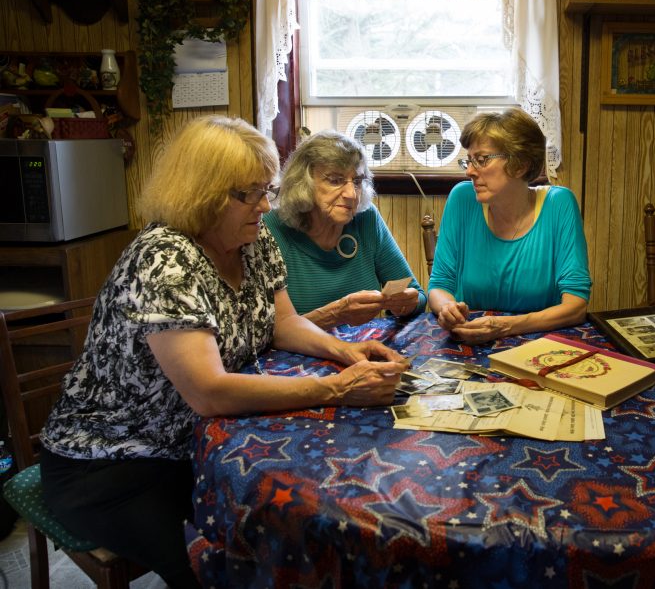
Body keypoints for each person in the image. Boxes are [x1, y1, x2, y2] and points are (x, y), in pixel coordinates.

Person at [39, 116, 408, 589]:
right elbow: (209, 392)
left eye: (266, 191)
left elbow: (284, 322)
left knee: (287, 530)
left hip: (191, 444)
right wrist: (337, 388)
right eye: (247, 194)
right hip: (112, 464)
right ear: (202, 192)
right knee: (218, 564)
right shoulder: (164, 259)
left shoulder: (252, 238)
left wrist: (347, 353)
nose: (263, 206)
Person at [427, 107, 591, 344]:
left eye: (481, 160)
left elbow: (576, 306)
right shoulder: (462, 199)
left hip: (539, 345)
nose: (470, 172)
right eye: (469, 160)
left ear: (520, 164)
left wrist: (506, 326)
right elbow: (439, 285)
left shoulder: (559, 205)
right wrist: (447, 309)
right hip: (470, 339)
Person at [263, 130, 425, 328]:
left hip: (365, 349)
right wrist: (335, 315)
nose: (351, 194)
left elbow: (418, 295)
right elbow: (267, 333)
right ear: (303, 183)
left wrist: (408, 303)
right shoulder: (272, 229)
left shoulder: (366, 219)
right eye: (335, 180)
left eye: (357, 181)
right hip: (298, 357)